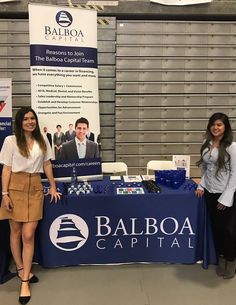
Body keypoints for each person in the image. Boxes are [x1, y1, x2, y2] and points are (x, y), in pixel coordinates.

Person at [0, 107, 61, 304]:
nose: (30, 121)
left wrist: (52, 187)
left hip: (35, 187)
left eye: (32, 118)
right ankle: (19, 268)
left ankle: (24, 280)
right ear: (20, 121)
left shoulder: (43, 139)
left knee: (28, 234)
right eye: (26, 118)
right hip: (14, 187)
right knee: (15, 232)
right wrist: (4, 194)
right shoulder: (10, 141)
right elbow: (7, 169)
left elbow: (47, 164)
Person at [195, 112, 236, 279]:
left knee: (227, 230)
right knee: (216, 228)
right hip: (210, 192)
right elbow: (207, 169)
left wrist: (226, 197)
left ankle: (231, 261)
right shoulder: (207, 144)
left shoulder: (232, 147)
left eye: (219, 124)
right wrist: (202, 185)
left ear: (225, 127)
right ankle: (221, 257)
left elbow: (235, 174)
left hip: (224, 194)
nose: (215, 127)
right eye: (213, 124)